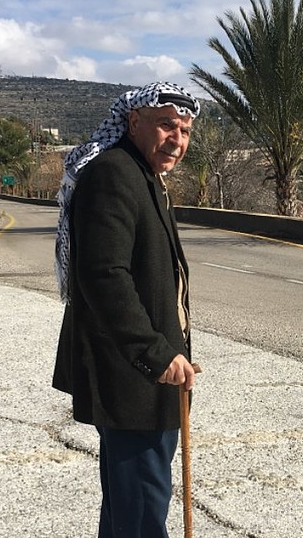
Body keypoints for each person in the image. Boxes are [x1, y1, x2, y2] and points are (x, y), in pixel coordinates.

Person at [53, 81, 200, 538]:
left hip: (148, 370)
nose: (177, 139)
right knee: (141, 506)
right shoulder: (115, 173)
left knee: (130, 502)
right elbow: (102, 274)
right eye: (166, 126)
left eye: (186, 130)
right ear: (134, 123)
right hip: (134, 374)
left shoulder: (143, 175)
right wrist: (154, 354)